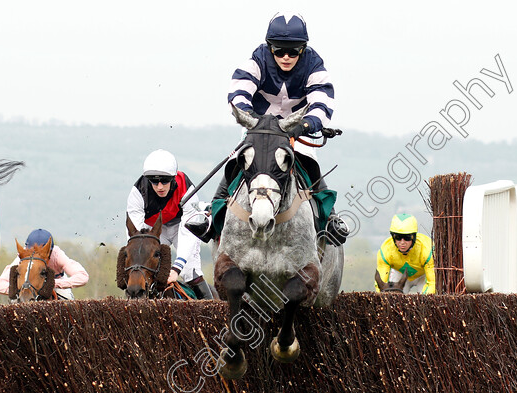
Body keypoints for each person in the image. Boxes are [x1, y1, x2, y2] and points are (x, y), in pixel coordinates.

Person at [186, 12, 348, 246]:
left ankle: (330, 219)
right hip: (260, 129)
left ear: (303, 49)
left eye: (293, 51)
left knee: (309, 163)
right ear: (269, 46)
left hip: (295, 130)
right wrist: (254, 121)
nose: (285, 57)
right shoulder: (257, 60)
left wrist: (303, 126)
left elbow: (322, 103)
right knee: (238, 162)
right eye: (279, 50)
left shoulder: (314, 64)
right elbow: (238, 94)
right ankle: (212, 216)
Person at [126, 149, 214, 299]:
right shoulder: (138, 193)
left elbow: (189, 233)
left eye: (165, 181)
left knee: (189, 269)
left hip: (182, 227)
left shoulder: (187, 188)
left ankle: (213, 312)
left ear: (173, 178)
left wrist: (176, 269)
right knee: (145, 265)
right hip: (154, 230)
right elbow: (137, 236)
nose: (160, 186)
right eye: (154, 181)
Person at [0, 229, 88, 300]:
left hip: (58, 287)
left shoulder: (57, 254)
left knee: (69, 301)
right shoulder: (24, 256)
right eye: (33, 252)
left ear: (49, 251)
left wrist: (54, 284)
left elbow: (82, 276)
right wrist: (19, 289)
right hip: (29, 289)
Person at [376, 213, 436, 294]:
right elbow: (380, 284)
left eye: (407, 238)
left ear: (414, 237)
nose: (402, 242)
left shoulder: (427, 249)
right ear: (393, 237)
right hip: (400, 274)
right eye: (398, 237)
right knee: (393, 298)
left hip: (423, 276)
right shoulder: (385, 250)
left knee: (426, 299)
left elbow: (432, 283)